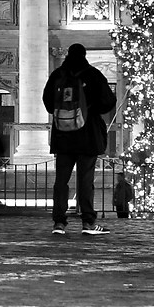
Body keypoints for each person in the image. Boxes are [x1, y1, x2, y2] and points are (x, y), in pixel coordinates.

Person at [42, 43, 116, 235]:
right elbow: (108, 102)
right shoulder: (93, 75)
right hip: (88, 134)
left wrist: (64, 113)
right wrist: (89, 109)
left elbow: (47, 102)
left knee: (61, 181)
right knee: (85, 180)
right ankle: (88, 223)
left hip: (63, 135)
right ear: (84, 55)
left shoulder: (58, 74)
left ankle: (59, 222)